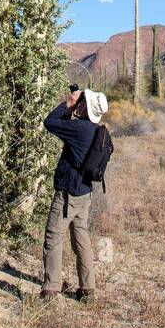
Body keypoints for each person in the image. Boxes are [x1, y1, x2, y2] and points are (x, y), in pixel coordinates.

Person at [40, 85, 109, 303]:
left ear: (86, 107)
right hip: (85, 193)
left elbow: (50, 122)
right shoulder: (96, 130)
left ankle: (50, 290)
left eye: (83, 102)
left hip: (68, 194)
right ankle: (88, 290)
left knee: (53, 236)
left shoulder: (79, 128)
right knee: (81, 238)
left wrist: (68, 104)